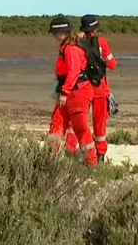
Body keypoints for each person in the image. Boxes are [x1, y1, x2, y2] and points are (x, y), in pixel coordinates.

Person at [45, 16, 98, 166]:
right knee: (57, 122)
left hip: (77, 92)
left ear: (63, 32)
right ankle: (51, 157)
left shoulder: (70, 49)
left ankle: (91, 162)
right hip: (70, 91)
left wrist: (64, 93)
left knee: (81, 128)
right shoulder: (67, 46)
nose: (55, 36)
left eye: (56, 33)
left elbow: (73, 72)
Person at [79, 14, 118, 162]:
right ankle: (100, 155)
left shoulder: (78, 44)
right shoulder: (102, 43)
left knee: (80, 123)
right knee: (99, 125)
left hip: (83, 88)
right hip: (101, 89)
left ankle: (84, 154)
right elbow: (112, 64)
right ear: (95, 29)